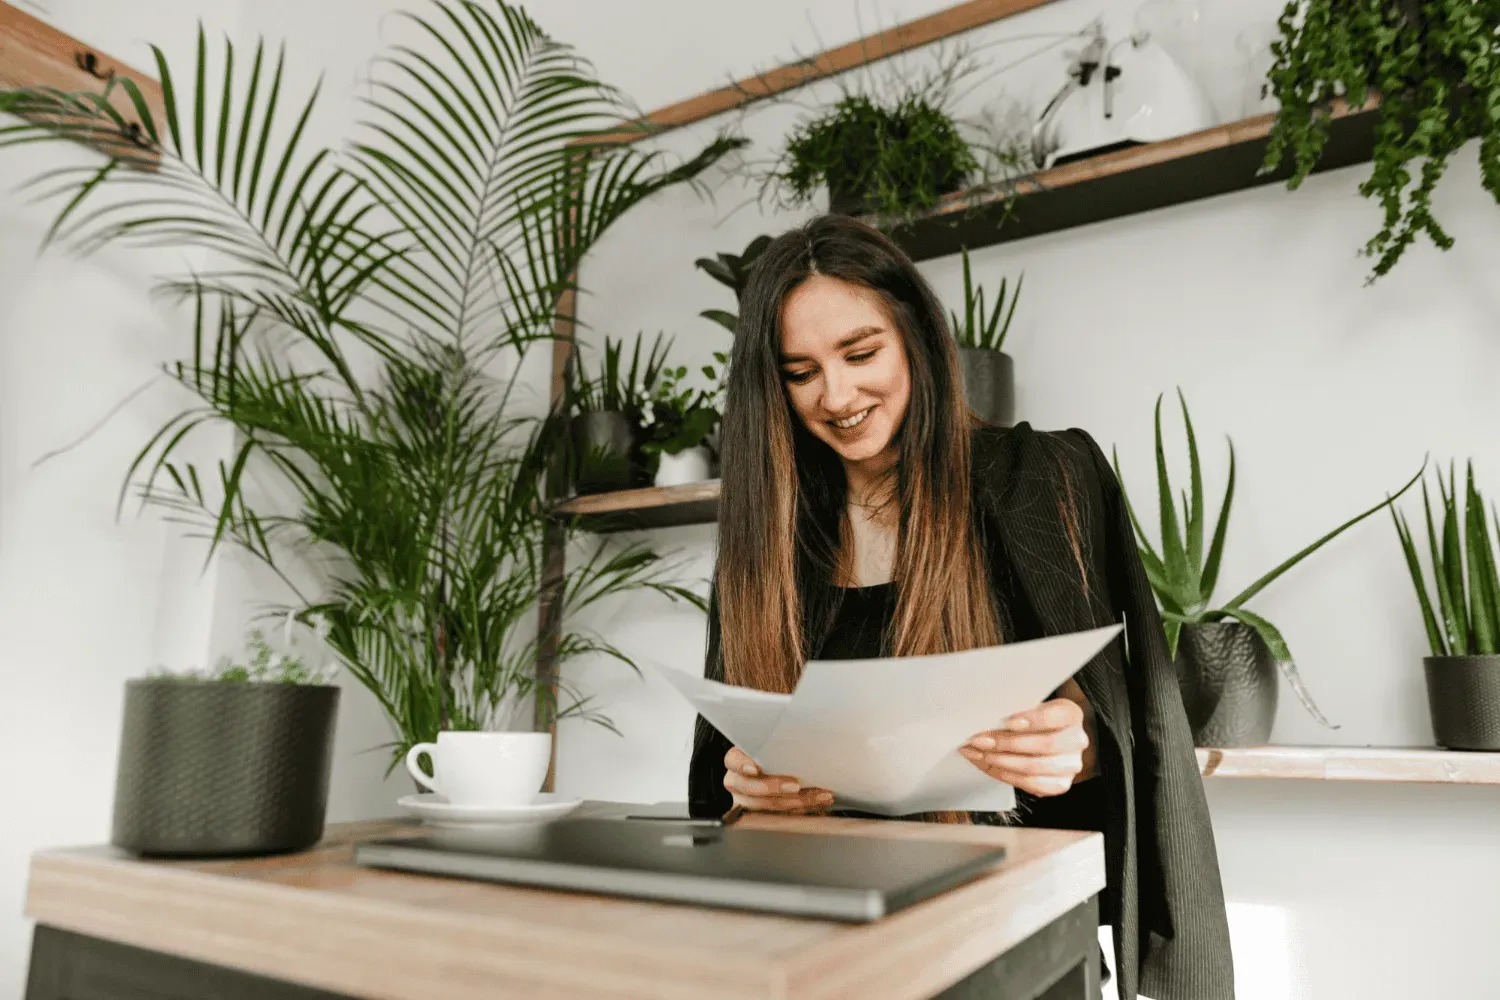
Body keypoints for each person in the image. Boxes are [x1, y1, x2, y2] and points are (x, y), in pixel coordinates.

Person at [687, 215, 1234, 1000]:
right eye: (800, 371)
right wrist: (748, 791)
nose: (836, 395)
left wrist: (1074, 749)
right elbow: (720, 785)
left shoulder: (1043, 478)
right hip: (817, 946)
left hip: (1009, 941)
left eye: (862, 352)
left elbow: (1129, 721)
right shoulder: (766, 539)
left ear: (916, 336)